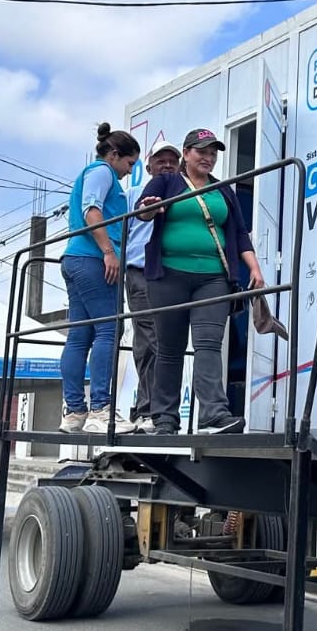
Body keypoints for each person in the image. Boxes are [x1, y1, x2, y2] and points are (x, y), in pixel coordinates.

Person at [135, 128, 265, 435]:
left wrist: (255, 268)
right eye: (201, 151)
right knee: (170, 348)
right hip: (168, 276)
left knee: (209, 344)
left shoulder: (223, 190)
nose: (208, 157)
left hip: (213, 277)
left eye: (213, 153)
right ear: (186, 153)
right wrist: (148, 208)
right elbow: (142, 211)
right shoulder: (166, 182)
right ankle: (165, 418)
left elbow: (239, 232)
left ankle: (213, 414)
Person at [61, 123, 141, 435]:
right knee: (108, 330)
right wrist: (109, 250)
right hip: (93, 258)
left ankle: (74, 412)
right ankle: (100, 408)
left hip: (75, 258)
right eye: (129, 163)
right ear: (114, 155)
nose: (129, 171)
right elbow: (91, 210)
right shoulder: (102, 172)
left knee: (79, 336)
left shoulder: (93, 172)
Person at [123, 140, 182, 433]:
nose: (167, 165)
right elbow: (119, 233)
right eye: (161, 160)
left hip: (174, 274)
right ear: (148, 167)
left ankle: (158, 410)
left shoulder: (184, 192)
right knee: (149, 341)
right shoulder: (133, 194)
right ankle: (149, 411)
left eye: (173, 160)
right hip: (141, 272)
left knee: (168, 342)